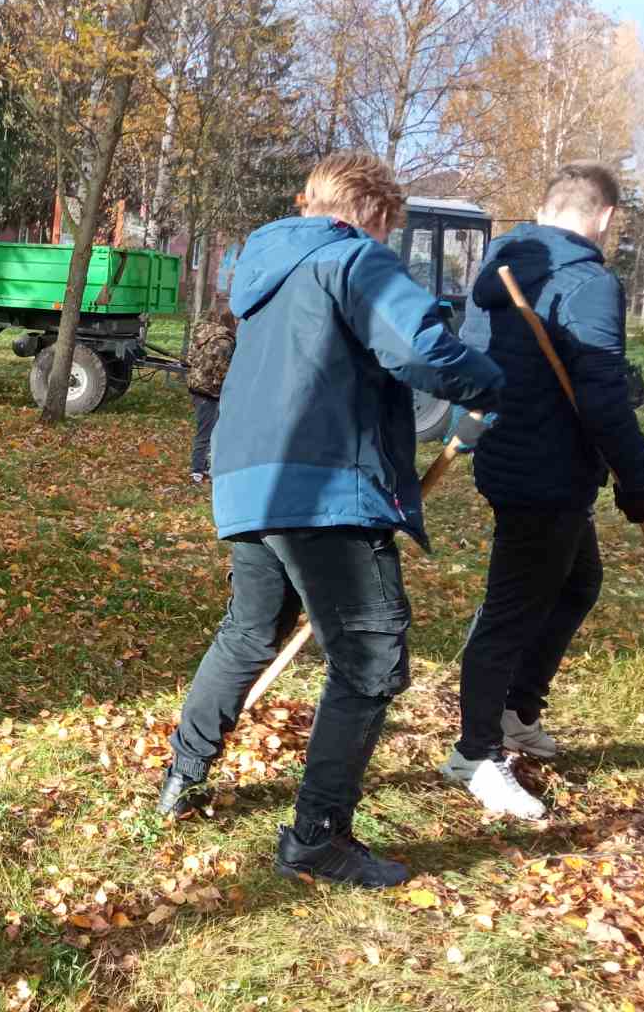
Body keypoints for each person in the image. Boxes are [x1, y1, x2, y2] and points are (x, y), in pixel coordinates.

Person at [156, 151, 504, 889]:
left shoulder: (265, 270)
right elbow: (424, 349)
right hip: (322, 489)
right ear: (371, 215)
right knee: (372, 661)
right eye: (390, 228)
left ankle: (182, 774)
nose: (388, 241)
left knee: (250, 630)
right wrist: (493, 382)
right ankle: (318, 836)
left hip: (246, 482)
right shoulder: (352, 259)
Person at [438, 163, 644, 819]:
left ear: (545, 209)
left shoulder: (501, 267)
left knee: (575, 582)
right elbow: (601, 398)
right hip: (549, 471)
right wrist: (637, 476)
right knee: (511, 609)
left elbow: (471, 370)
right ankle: (476, 754)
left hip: (515, 461)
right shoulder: (589, 283)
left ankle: (514, 710)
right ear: (604, 216)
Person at [186, 304, 237, 484]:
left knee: (206, 429)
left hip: (196, 387)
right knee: (207, 432)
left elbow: (190, 358)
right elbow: (223, 372)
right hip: (211, 392)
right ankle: (197, 471)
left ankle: (204, 466)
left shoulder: (203, 333)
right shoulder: (225, 342)